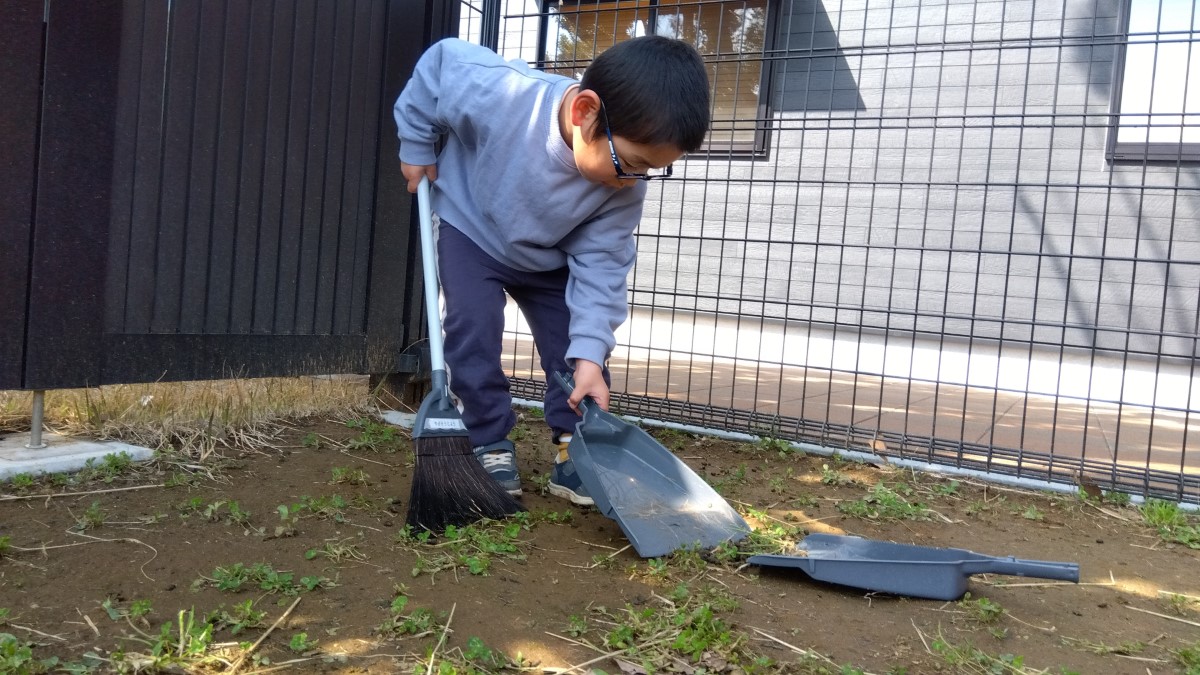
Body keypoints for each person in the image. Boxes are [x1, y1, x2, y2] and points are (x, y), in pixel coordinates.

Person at [393, 35, 709, 505]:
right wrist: (416, 142)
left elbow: (602, 267)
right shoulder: (505, 95)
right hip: (473, 228)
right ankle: (487, 442)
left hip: (553, 257)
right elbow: (439, 66)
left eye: (650, 172)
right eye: (632, 163)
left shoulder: (623, 189)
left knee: (575, 353)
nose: (633, 180)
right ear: (585, 112)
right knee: (471, 328)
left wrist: (589, 356)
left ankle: (574, 450)